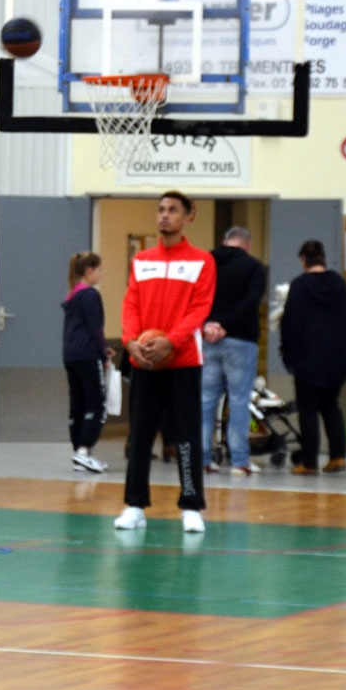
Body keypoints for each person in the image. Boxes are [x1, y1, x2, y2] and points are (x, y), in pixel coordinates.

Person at [114, 191, 216, 534]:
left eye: (172, 210)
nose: (164, 215)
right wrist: (131, 341)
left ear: (189, 216)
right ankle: (134, 505)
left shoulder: (203, 261)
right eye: (160, 210)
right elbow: (131, 305)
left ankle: (191, 506)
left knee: (186, 436)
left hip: (184, 361)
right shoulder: (141, 260)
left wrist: (171, 341)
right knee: (140, 434)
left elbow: (199, 310)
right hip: (144, 362)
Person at [278, 240, 346, 475]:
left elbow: (290, 323)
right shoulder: (339, 284)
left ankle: (310, 461)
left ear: (304, 260)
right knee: (331, 406)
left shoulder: (299, 286)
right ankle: (337, 457)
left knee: (308, 409)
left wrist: (288, 353)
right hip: (337, 357)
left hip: (308, 357)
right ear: (323, 259)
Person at [200, 226, 267, 476]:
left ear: (224, 241)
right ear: (247, 245)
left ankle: (203, 460)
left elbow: (194, 298)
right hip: (241, 341)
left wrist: (209, 325)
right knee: (239, 401)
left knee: (205, 401)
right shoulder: (254, 267)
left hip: (207, 340)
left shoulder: (204, 263)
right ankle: (239, 461)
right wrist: (225, 326)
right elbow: (251, 302)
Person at [62, 251, 113, 473]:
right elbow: (95, 328)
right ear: (89, 271)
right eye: (99, 270)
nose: (101, 274)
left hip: (71, 354)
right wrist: (103, 355)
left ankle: (79, 452)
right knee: (96, 403)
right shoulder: (90, 295)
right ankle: (84, 450)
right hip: (87, 354)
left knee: (78, 403)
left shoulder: (72, 295)